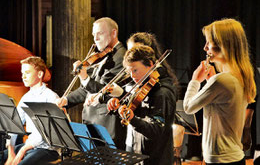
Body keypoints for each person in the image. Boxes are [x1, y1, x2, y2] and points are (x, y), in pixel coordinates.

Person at [183, 18, 256, 165]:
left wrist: (195, 80)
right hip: (232, 157)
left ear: (223, 45)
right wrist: (211, 81)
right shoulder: (238, 76)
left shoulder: (222, 81)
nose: (205, 48)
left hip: (222, 159)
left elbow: (188, 107)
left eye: (208, 43)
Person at [56, 17, 127, 150]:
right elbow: (86, 89)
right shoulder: (105, 55)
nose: (95, 38)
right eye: (94, 35)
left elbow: (106, 90)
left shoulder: (121, 57)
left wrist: (84, 77)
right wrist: (66, 100)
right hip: (94, 125)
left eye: (100, 33)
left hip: (107, 127)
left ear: (113, 33)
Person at [107, 45, 178, 165]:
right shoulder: (142, 87)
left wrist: (132, 119)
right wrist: (117, 105)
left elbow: (155, 130)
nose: (132, 76)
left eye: (135, 70)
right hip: (138, 155)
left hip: (155, 159)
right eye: (129, 72)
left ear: (150, 64)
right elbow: (136, 108)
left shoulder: (162, 93)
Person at [1, 56, 60, 165]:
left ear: (39, 74)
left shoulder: (51, 97)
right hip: (29, 147)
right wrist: (11, 152)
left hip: (47, 149)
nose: (23, 76)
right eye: (22, 73)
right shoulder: (26, 98)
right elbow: (14, 125)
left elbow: (44, 135)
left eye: (27, 72)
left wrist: (22, 151)